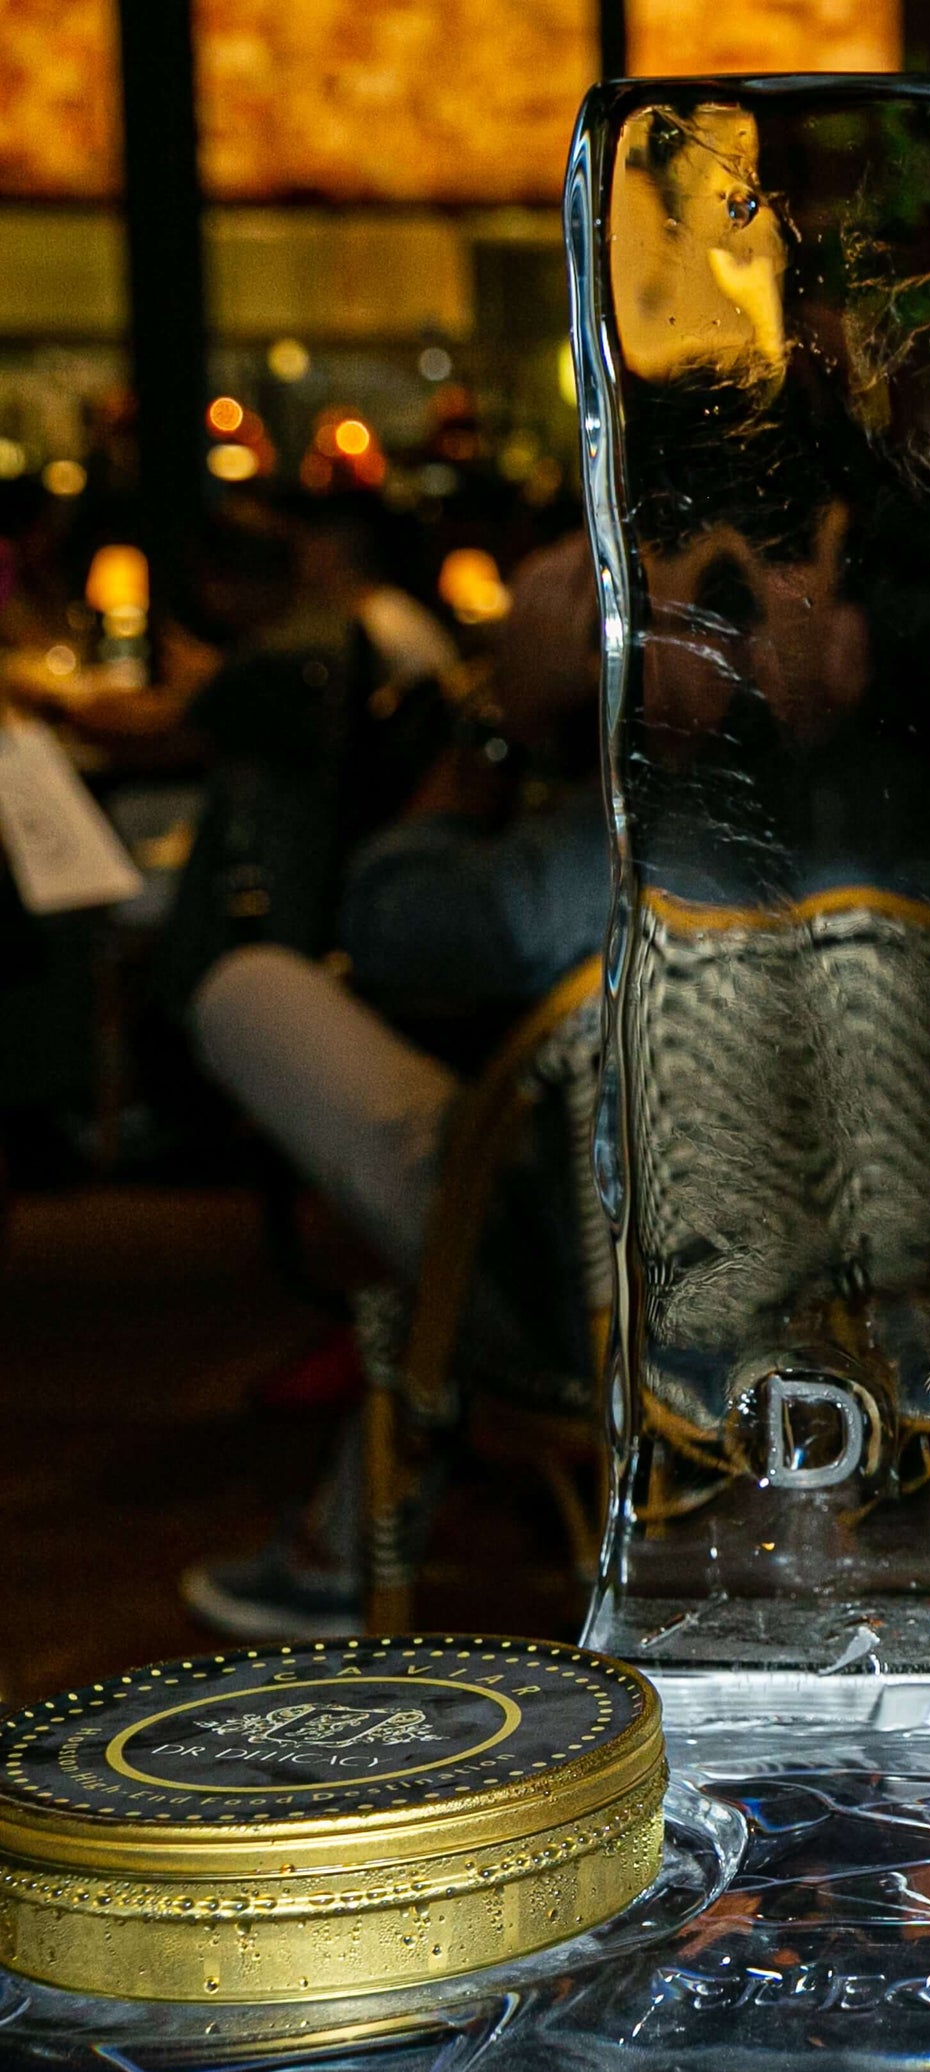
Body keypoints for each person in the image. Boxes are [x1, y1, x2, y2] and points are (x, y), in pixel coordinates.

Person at [179, 535, 605, 1639]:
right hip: (859, 1304)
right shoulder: (924, 801)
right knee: (482, 1156)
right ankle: (333, 1543)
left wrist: (507, 713)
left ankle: (336, 1555)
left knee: (250, 990)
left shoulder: (673, 827)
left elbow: (391, 925)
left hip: (598, 1315)